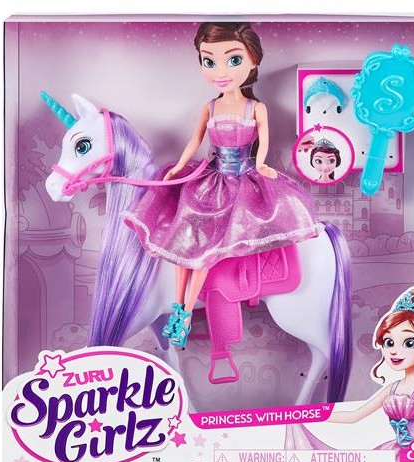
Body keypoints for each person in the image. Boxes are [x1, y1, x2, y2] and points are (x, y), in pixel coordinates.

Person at [123, 22, 319, 346]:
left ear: (253, 61)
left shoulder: (256, 108)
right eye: (209, 61)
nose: (220, 71)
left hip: (241, 181)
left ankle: (186, 314)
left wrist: (260, 165)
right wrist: (180, 166)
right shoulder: (210, 106)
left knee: (206, 253)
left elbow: (264, 142)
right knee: (183, 246)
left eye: (233, 60)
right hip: (211, 178)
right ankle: (178, 310)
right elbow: (195, 141)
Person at [285, 287, 414, 462]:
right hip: (397, 451)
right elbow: (354, 416)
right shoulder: (391, 388)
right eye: (389, 342)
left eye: (409, 343)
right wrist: (313, 415)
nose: (395, 351)